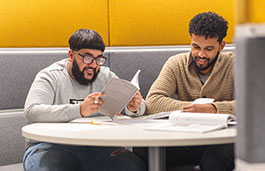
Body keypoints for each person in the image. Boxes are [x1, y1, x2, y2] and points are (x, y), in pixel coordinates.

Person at [23, 29, 146, 171]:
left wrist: (134, 107)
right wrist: (80, 110)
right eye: (87, 58)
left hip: (97, 147)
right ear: (71, 55)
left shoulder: (105, 76)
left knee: (133, 166)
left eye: (99, 59)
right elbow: (32, 112)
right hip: (50, 146)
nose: (94, 65)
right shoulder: (51, 76)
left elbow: (130, 106)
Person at [135, 12, 235, 171]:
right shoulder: (176, 63)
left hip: (224, 141)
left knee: (213, 161)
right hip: (188, 140)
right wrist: (194, 109)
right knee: (141, 151)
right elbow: (153, 101)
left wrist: (214, 109)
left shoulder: (236, 64)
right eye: (196, 47)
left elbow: (255, 105)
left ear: (221, 46)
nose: (201, 54)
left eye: (209, 49)